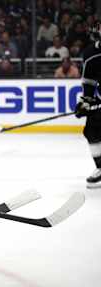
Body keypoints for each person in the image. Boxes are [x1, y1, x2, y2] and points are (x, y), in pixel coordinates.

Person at [75, 21, 101, 188]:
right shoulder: (91, 54)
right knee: (91, 130)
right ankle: (100, 168)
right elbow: (89, 85)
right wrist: (86, 102)